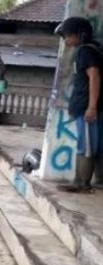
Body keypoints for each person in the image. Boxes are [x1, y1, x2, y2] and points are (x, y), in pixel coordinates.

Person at [55, 17, 103, 192]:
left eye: (68, 36)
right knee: (92, 143)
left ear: (81, 35)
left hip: (87, 107)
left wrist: (91, 106)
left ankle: (82, 183)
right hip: (85, 105)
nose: (66, 40)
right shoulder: (93, 49)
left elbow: (94, 76)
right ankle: (95, 180)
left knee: (87, 144)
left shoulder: (86, 51)